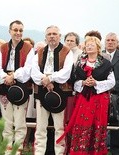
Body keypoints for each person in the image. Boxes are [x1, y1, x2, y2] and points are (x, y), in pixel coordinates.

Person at [57, 36, 115, 155]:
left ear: (98, 48)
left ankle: (95, 151)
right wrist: (83, 83)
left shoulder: (106, 63)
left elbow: (111, 82)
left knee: (97, 125)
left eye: (92, 45)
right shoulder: (79, 63)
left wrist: (96, 83)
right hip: (83, 99)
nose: (89, 46)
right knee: (82, 124)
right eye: (87, 44)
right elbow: (73, 80)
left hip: (99, 99)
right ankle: (80, 151)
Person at [0, 20, 35, 155]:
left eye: (20, 30)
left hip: (21, 87)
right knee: (7, 121)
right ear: (10, 31)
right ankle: (7, 150)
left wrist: (14, 76)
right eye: (15, 30)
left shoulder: (28, 48)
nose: (18, 33)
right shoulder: (3, 48)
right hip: (5, 86)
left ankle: (17, 150)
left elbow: (29, 68)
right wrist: (6, 77)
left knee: (20, 122)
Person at [31, 25, 73, 155]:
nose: (52, 36)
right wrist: (45, 79)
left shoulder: (67, 51)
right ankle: (39, 152)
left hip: (60, 93)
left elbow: (66, 72)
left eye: (55, 34)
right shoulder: (40, 52)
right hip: (42, 91)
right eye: (49, 34)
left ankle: (59, 153)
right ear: (45, 37)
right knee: (40, 127)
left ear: (59, 36)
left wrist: (51, 79)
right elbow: (34, 72)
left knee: (59, 127)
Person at [103, 32, 119, 150]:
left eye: (113, 40)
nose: (110, 42)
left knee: (116, 123)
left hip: (117, 94)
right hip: (100, 94)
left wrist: (112, 86)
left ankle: (115, 148)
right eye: (108, 40)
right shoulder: (98, 56)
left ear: (117, 43)